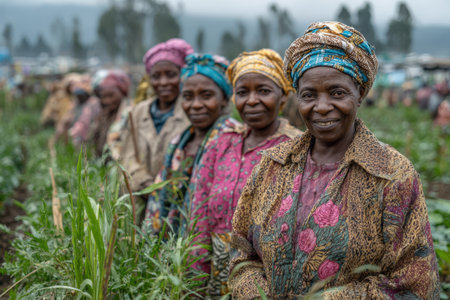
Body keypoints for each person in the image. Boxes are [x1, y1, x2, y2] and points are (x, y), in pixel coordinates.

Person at [229, 22, 439, 299]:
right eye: (309, 95)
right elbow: (242, 255)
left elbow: (413, 283)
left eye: (337, 93)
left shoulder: (391, 174)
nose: (322, 107)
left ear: (360, 94)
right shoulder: (272, 166)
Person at [191, 49, 303, 297]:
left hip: (267, 274)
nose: (252, 101)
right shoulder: (221, 143)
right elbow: (199, 211)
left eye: (263, 91)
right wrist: (195, 274)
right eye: (243, 92)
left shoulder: (295, 148)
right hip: (215, 267)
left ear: (283, 98)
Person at [144, 53, 233, 234]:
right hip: (174, 247)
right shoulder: (180, 141)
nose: (196, 105)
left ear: (224, 99)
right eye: (188, 96)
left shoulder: (233, 140)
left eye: (206, 95)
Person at [119, 38, 193, 192]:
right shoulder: (137, 112)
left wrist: (165, 190)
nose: (163, 82)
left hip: (175, 201)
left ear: (182, 75)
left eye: (171, 74)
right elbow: (127, 157)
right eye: (156, 76)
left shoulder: (191, 111)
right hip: (138, 197)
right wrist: (146, 185)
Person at [89, 70, 131, 157]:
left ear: (122, 93)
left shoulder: (130, 113)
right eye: (103, 97)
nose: (107, 101)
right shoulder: (104, 115)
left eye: (111, 95)